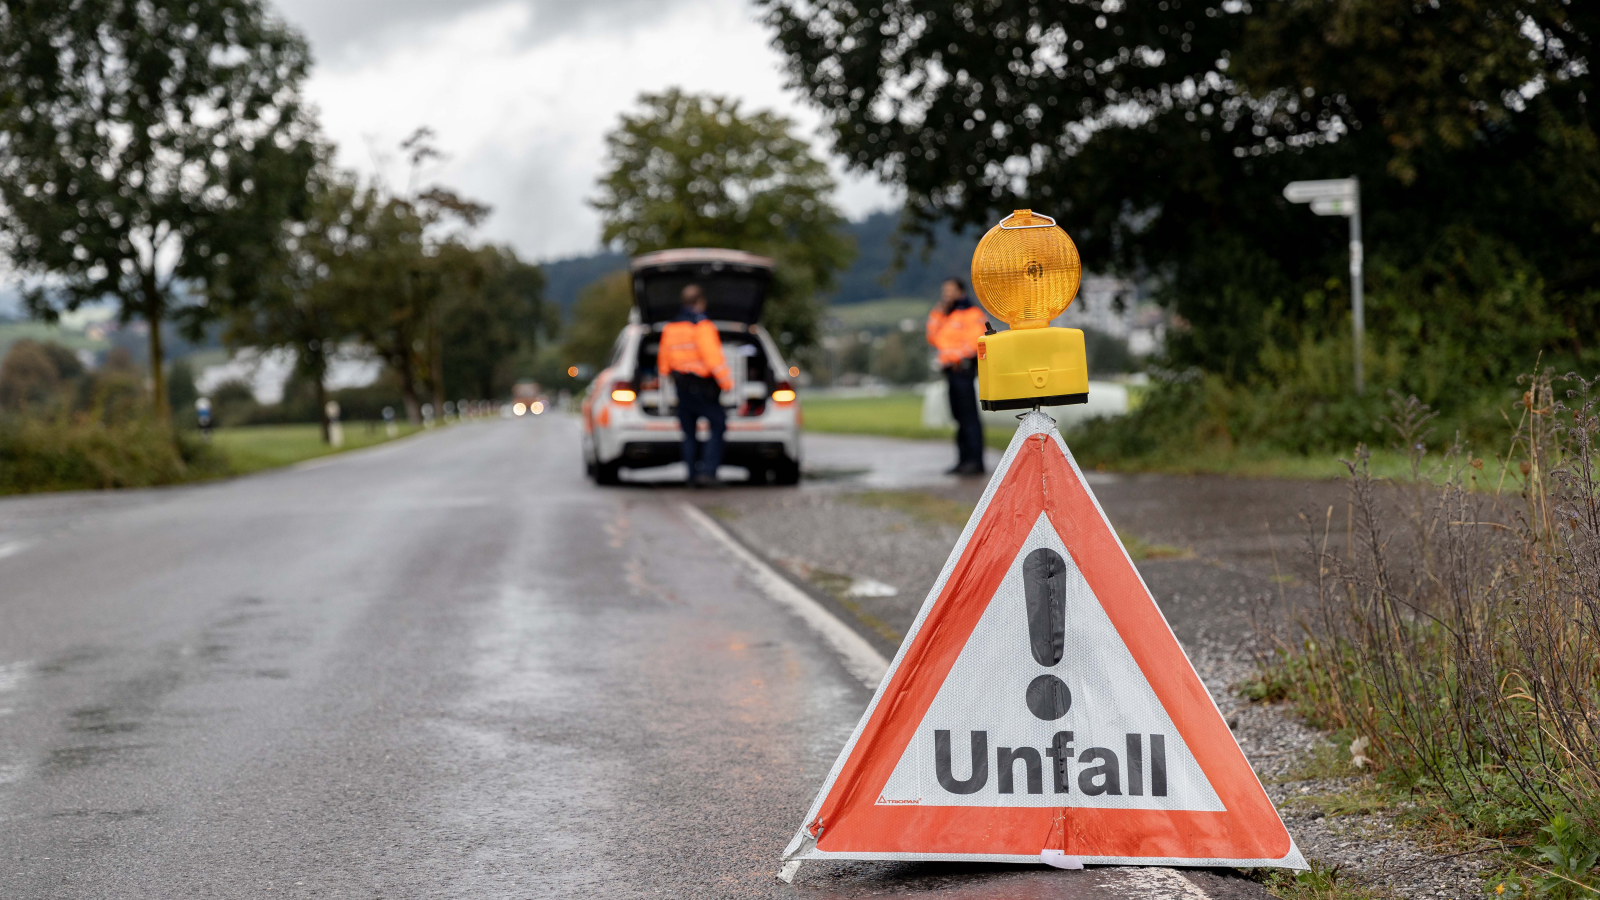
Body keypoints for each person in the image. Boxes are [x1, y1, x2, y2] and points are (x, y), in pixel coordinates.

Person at [659, 283, 733, 487]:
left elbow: (663, 362)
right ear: (701, 302)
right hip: (703, 386)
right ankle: (708, 473)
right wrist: (727, 383)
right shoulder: (702, 326)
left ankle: (691, 475)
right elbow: (713, 358)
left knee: (689, 433)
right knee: (718, 424)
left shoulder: (670, 328)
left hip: (681, 387)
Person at [927, 277, 987, 475]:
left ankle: (975, 462)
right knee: (959, 417)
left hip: (963, 369)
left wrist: (955, 358)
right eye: (944, 291)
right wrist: (938, 312)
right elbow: (933, 337)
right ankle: (963, 461)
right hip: (950, 372)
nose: (946, 295)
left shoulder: (971, 314)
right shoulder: (946, 315)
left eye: (950, 291)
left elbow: (974, 342)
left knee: (969, 417)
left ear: (960, 292)